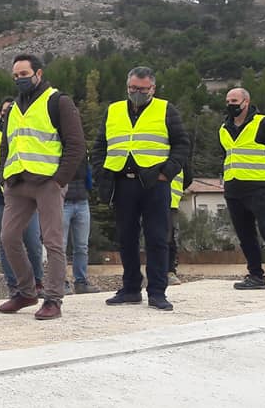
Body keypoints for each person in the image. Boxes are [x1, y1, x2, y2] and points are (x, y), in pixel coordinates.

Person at [93, 66, 189, 311]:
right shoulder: (113, 110)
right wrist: (100, 170)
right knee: (126, 238)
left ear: (152, 88)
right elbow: (99, 145)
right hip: (122, 182)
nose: (136, 92)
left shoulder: (166, 109)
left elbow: (181, 145)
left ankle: (157, 291)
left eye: (142, 89)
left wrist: (166, 173)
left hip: (154, 184)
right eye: (132, 88)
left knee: (157, 238)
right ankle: (130, 288)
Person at [0, 54, 86, 320]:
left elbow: (76, 144)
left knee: (52, 241)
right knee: (8, 237)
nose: (19, 79)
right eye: (15, 76)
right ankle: (26, 291)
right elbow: (6, 143)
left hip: (47, 181)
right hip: (17, 182)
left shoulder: (58, 101)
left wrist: (60, 179)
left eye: (24, 74)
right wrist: (4, 174)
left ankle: (53, 299)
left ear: (38, 73)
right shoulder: (13, 108)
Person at [0, 97, 44, 297]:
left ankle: (37, 283)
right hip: (1, 198)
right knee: (7, 243)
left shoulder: (26, 134)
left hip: (28, 196)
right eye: (5, 111)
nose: (8, 114)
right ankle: (14, 286)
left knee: (33, 243)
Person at [219, 87, 265, 292]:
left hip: (258, 186)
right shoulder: (223, 128)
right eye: (228, 101)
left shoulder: (263, 123)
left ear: (246, 102)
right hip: (233, 188)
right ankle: (256, 275)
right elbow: (226, 156)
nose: (231, 104)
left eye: (235, 101)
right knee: (245, 234)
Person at [62, 158, 99, 294]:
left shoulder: (82, 151)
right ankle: (61, 282)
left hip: (82, 200)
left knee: (82, 246)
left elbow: (87, 172)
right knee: (60, 246)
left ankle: (81, 282)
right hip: (63, 201)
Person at [167, 169, 188, 286]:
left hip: (170, 201)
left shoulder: (178, 155)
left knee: (167, 238)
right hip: (152, 199)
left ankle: (169, 271)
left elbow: (188, 177)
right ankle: (165, 272)